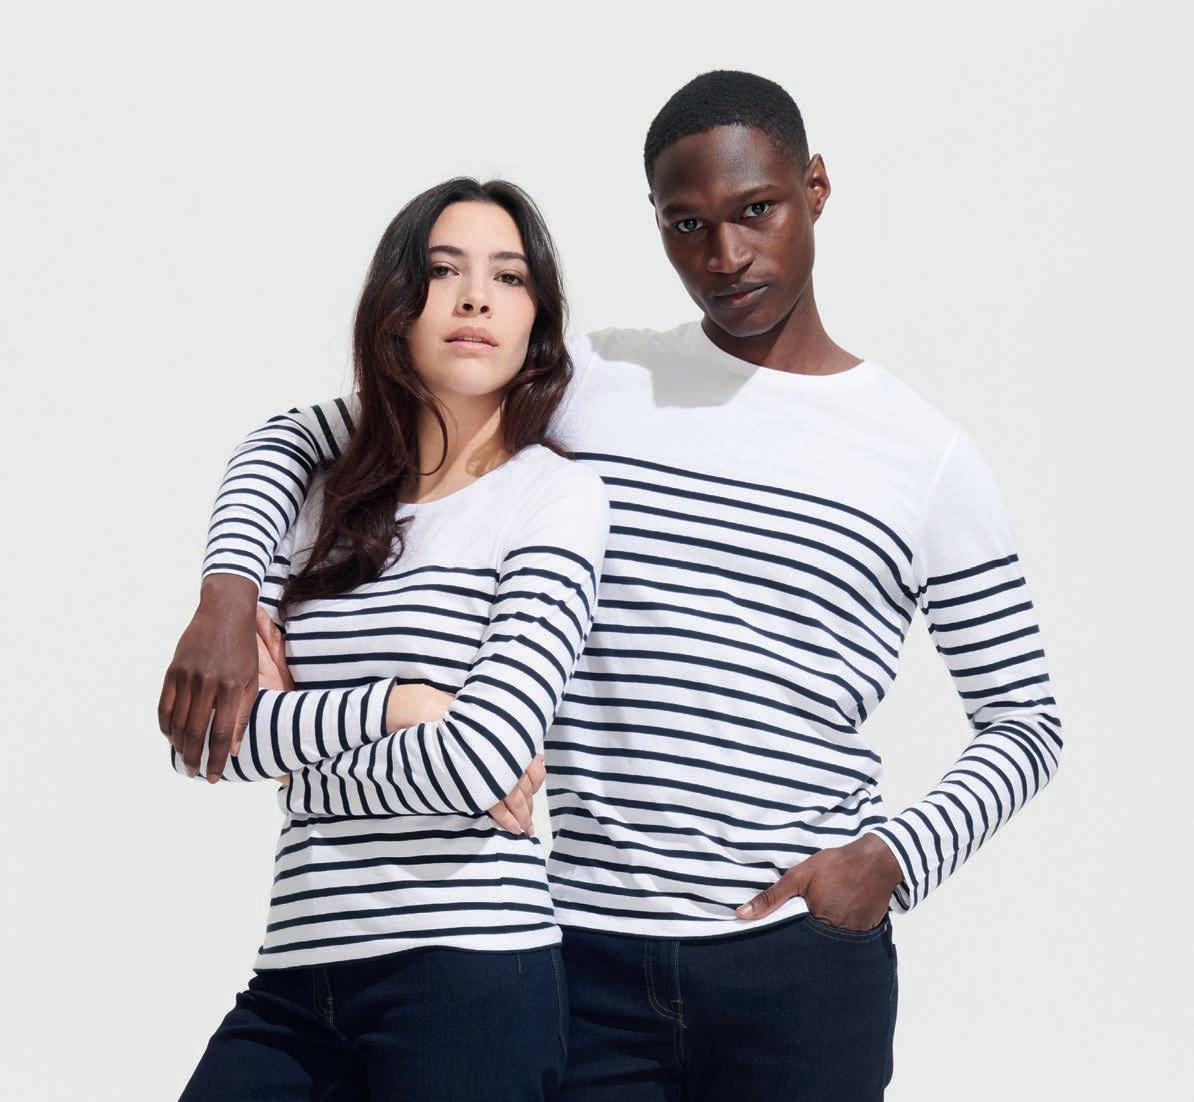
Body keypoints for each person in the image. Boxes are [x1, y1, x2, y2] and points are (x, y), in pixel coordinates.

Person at [167, 71, 1063, 1100]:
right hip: (583, 960)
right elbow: (319, 433)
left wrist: (891, 862)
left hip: (802, 961)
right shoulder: (592, 385)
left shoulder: (925, 456)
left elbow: (1025, 721)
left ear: (815, 188)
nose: (725, 255)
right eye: (687, 225)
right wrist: (231, 591)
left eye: (756, 210)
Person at [164, 177, 609, 1100]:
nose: (475, 298)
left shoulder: (553, 496)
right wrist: (400, 707)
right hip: (297, 974)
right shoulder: (318, 496)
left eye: (508, 277)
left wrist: (298, 759)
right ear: (398, 306)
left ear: (537, 319)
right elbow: (206, 743)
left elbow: (481, 761)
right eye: (444, 270)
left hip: (471, 975)